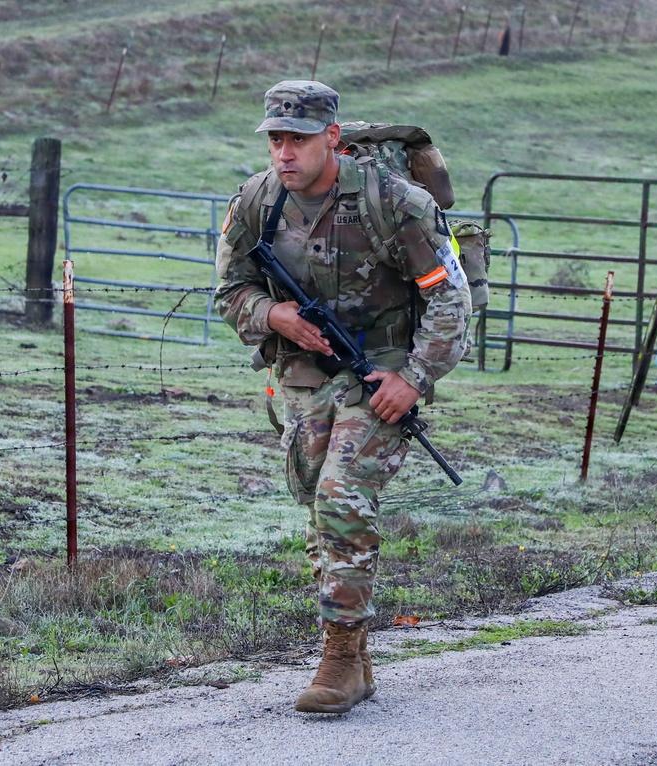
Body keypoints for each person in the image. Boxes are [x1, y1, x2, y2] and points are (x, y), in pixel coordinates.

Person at [215, 80, 470, 714]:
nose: (284, 153)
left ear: (331, 137)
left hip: (381, 373)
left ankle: (336, 658)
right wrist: (276, 317)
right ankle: (354, 654)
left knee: (339, 501)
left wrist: (414, 378)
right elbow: (230, 291)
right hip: (304, 374)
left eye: (298, 139)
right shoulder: (256, 200)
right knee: (317, 509)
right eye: (276, 139)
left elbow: (448, 296)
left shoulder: (393, 202)